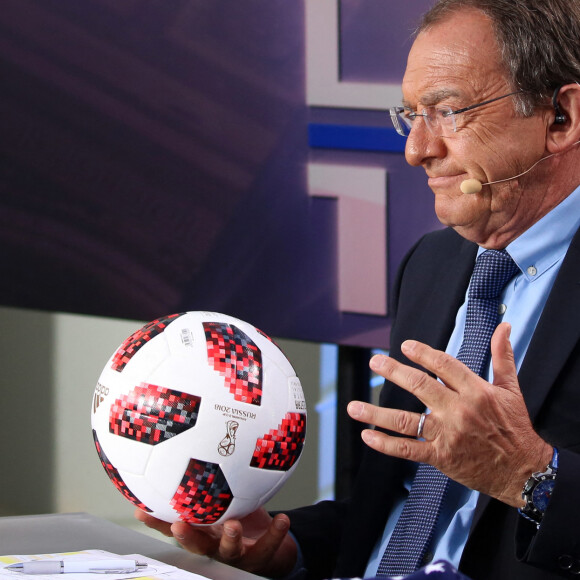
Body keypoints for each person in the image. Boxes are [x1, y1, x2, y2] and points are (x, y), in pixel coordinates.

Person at [135, 1, 580, 578]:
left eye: (446, 112)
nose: (417, 149)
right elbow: (397, 507)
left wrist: (530, 476)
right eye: (411, 116)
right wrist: (286, 549)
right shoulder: (433, 264)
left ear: (560, 118)